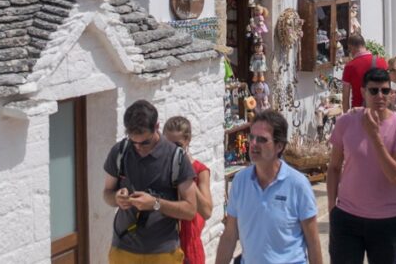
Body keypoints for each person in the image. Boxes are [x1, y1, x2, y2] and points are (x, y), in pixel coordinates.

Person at [328, 68, 396, 264]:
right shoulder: (346, 122)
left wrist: (375, 136)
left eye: (385, 91)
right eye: (373, 91)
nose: (380, 96)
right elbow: (333, 167)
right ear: (363, 92)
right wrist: (332, 208)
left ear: (392, 94)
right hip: (346, 218)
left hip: (387, 221)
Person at [214, 110, 323, 264]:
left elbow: (313, 242)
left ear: (279, 146)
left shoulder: (298, 185)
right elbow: (230, 235)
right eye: (251, 137)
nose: (253, 144)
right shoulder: (240, 182)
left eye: (262, 140)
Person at [103, 100, 197, 264]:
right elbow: (107, 194)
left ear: (157, 127)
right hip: (123, 250)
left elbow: (190, 210)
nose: (138, 147)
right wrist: (116, 198)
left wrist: (155, 204)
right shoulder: (120, 151)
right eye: (134, 142)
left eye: (145, 142)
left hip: (163, 253)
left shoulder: (177, 158)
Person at [163, 117, 212, 264]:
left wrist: (187, 175)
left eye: (177, 145)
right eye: (167, 144)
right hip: (162, 244)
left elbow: (207, 211)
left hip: (189, 243)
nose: (171, 150)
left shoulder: (199, 170)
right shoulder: (159, 167)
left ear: (187, 141)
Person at [342, 34, 388, 111]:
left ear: (351, 47)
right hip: (379, 110)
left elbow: (345, 97)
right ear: (364, 45)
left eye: (349, 50)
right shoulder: (382, 62)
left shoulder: (350, 66)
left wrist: (347, 118)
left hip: (359, 111)